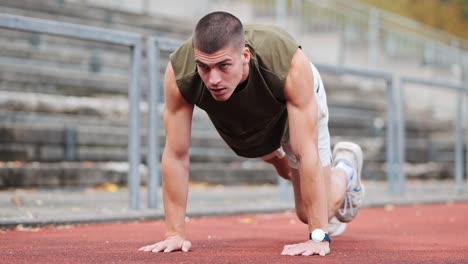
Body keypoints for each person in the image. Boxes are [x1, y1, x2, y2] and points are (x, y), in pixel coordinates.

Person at [139, 11, 365, 257]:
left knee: (306, 211)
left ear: (245, 56)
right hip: (248, 118)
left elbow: (305, 153)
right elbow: (176, 155)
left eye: (223, 65)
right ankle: (299, 168)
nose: (213, 79)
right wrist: (174, 234)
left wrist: (318, 236)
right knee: (288, 173)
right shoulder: (179, 73)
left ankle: (344, 169)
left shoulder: (289, 64)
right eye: (204, 67)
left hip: (291, 100)